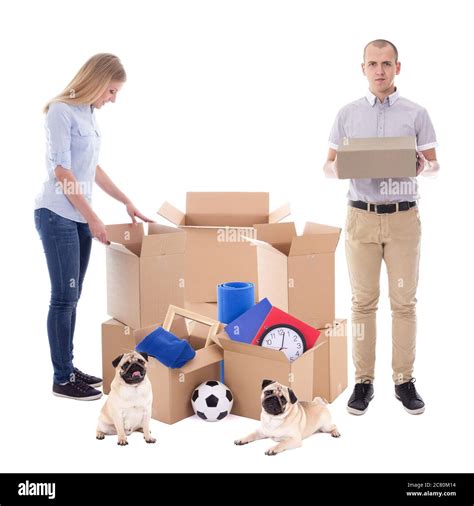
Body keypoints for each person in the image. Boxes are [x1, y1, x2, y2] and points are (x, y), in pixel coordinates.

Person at [324, 39, 439, 415]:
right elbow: (327, 165)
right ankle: (363, 381)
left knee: (404, 303)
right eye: (372, 63)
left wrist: (424, 164)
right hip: (361, 218)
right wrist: (338, 169)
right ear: (363, 68)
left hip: (404, 219)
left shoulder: (416, 113)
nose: (379, 70)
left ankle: (404, 380)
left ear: (397, 68)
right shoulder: (346, 114)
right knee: (362, 303)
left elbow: (435, 164)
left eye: (386, 63)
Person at [35, 53, 153, 401]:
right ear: (98, 81)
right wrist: (92, 217)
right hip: (56, 214)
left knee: (72, 297)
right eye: (112, 91)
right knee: (63, 298)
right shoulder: (60, 111)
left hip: (78, 216)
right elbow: (63, 173)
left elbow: (93, 169)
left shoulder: (88, 113)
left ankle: (69, 368)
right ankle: (62, 378)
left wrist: (125, 200)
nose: (113, 99)